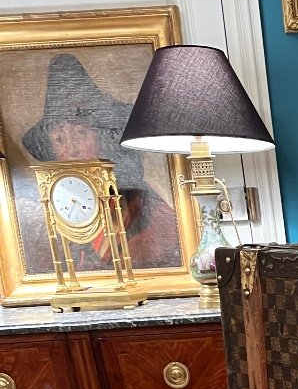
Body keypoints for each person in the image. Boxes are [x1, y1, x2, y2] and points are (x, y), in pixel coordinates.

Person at [22, 52, 180, 270]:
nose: (72, 149)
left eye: (81, 134)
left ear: (101, 137)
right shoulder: (48, 211)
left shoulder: (143, 206)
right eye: (59, 139)